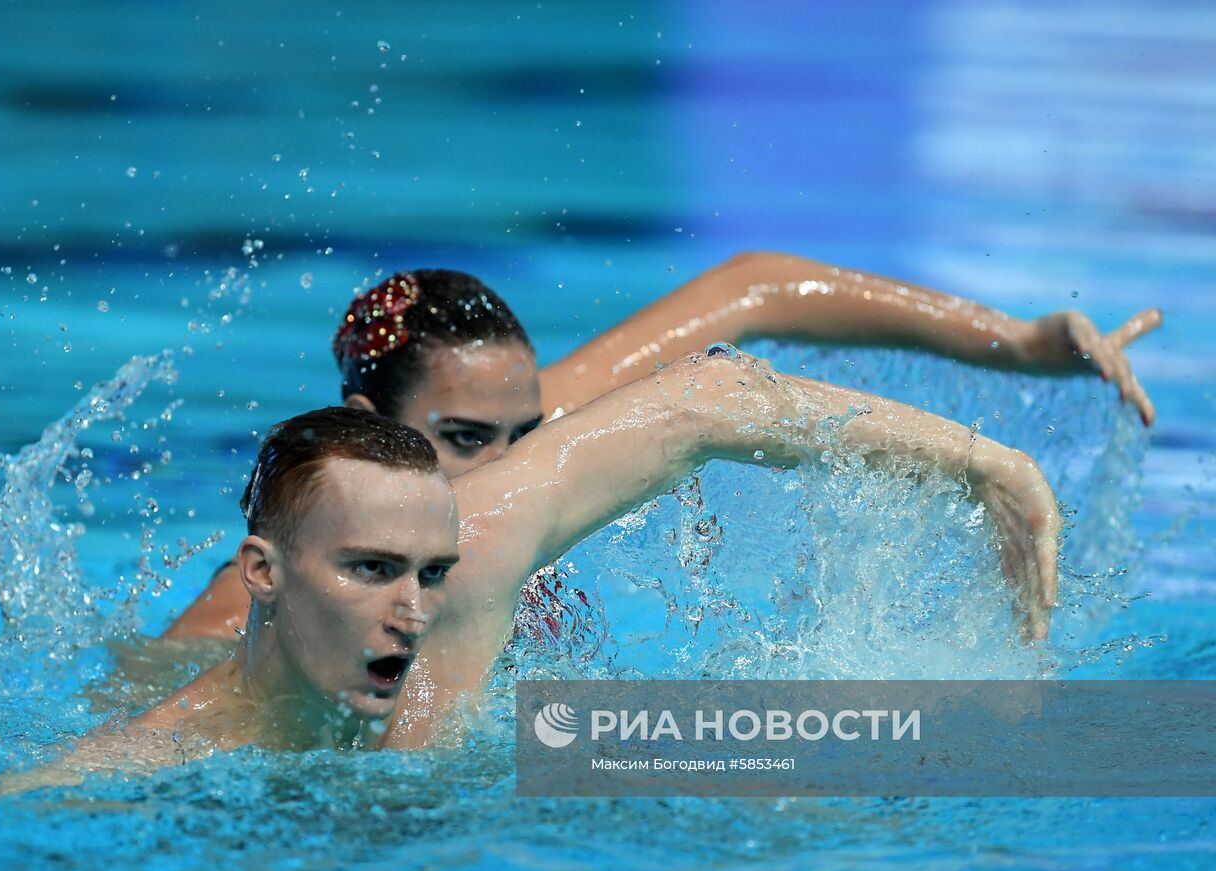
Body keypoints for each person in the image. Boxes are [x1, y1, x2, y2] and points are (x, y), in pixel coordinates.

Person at [0, 346, 1060, 792]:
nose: (408, 612)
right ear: (262, 570)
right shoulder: (151, 760)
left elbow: (709, 398)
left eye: (429, 572)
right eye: (367, 570)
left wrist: (995, 470)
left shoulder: (469, 566)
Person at [164, 262, 1159, 640]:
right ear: (368, 423)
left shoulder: (518, 454)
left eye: (525, 430)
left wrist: (1023, 342)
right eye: (461, 440)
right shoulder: (271, 596)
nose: (506, 462)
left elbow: (760, 289)